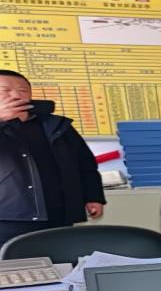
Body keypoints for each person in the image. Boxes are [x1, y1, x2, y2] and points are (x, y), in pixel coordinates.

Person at [0, 70, 105, 248]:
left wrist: (93, 196)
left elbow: (84, 163)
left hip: (58, 213)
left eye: (23, 90)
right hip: (9, 217)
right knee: (12, 263)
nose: (16, 95)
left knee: (60, 259)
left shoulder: (56, 125)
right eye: (5, 90)